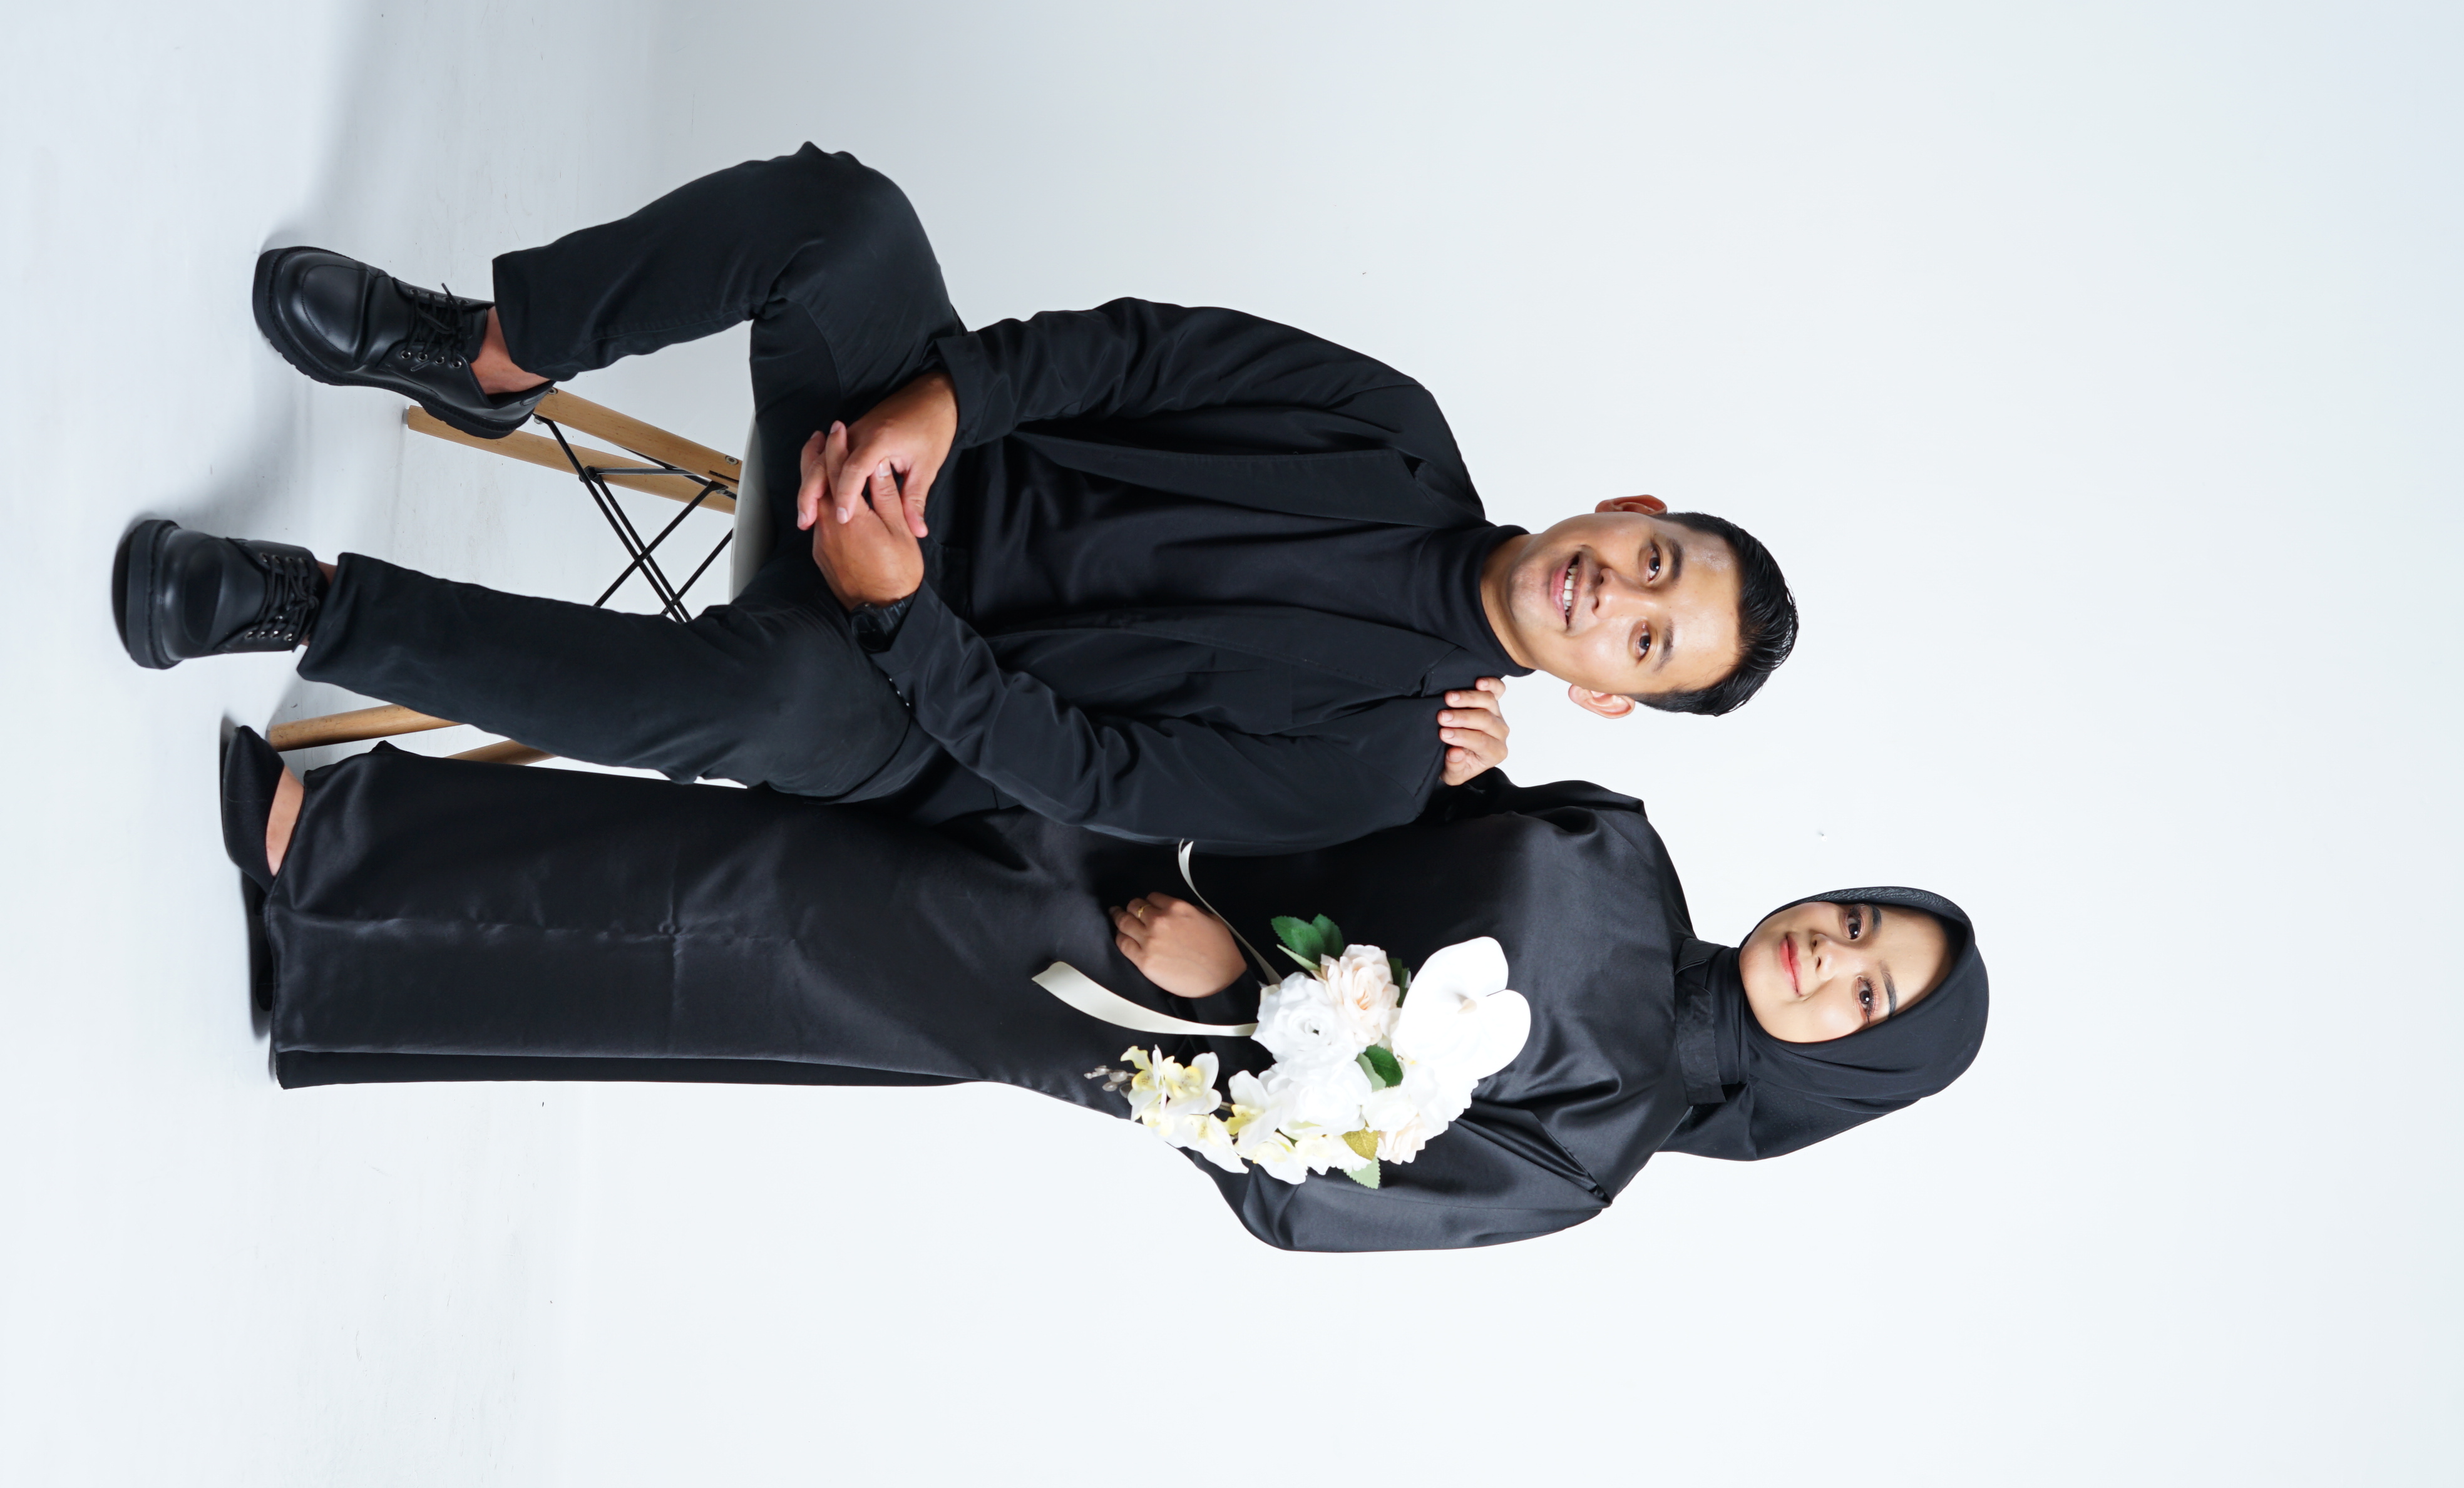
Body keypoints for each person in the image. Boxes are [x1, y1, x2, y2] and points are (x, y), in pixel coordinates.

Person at [116, 144, 1797, 853]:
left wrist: (895, 609)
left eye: (1647, 639)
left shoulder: (1380, 765)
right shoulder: (1394, 428)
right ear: (1626, 502)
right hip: (917, 453)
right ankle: (484, 352)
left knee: (756, 697)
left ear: (1603, 696)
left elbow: (1092, 773)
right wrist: (939, 403)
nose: (1614, 592)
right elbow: (1135, 355)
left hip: (920, 698)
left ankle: (307, 606)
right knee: (846, 219)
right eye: (1651, 559)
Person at [230, 727, 1987, 1253]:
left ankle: (336, 850)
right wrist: (1447, 755)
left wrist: (1234, 1004)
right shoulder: (1626, 845)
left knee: (774, 913)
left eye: (1860, 1001)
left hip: (1128, 993)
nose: (1826, 958)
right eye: (1855, 926)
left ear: (1837, 1072)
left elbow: (1324, 1198)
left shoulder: (1596, 1142)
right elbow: (1392, 810)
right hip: (1139, 821)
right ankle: (342, 963)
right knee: (782, 891)